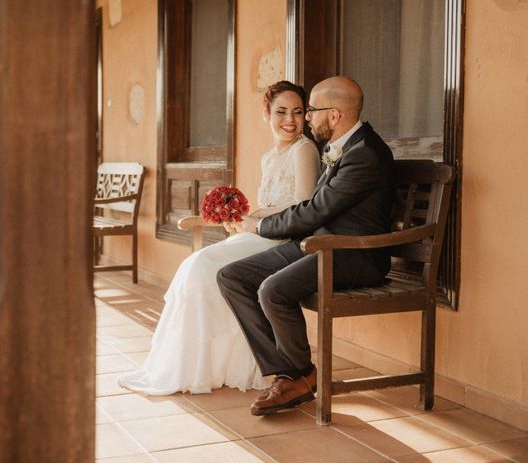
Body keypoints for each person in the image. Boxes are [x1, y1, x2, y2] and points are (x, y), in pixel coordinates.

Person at [117, 81, 320, 395]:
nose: (289, 120)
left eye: (297, 112)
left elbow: (303, 204)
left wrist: (255, 220)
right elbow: (270, 204)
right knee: (193, 267)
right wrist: (241, 219)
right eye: (281, 111)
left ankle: (213, 364)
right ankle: (200, 364)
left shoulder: (304, 149)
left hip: (281, 240)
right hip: (261, 233)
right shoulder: (269, 157)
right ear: (266, 113)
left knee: (201, 266)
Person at [217, 76, 395, 416]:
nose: (306, 119)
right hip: (321, 245)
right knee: (232, 277)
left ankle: (293, 377)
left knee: (272, 289)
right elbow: (318, 210)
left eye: (311, 111)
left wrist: (262, 226)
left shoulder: (366, 154)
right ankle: (295, 373)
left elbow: (315, 210)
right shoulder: (346, 146)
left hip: (354, 254)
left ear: (334, 114)